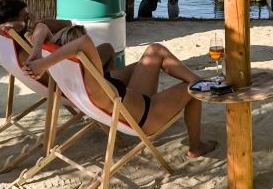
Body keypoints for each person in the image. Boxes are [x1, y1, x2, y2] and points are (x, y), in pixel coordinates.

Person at [24, 25, 217, 159]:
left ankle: (202, 82)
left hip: (133, 102)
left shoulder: (72, 74)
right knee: (192, 90)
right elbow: (84, 41)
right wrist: (42, 62)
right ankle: (196, 147)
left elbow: (42, 27)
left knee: (155, 51)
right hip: (146, 117)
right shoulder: (93, 80)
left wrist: (37, 53)